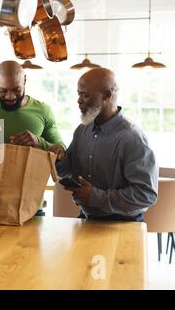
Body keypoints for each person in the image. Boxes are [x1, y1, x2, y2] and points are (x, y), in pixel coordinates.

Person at [56, 68, 158, 222]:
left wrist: (95, 197)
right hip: (87, 220)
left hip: (123, 224)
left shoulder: (132, 138)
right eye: (78, 94)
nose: (79, 100)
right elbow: (67, 172)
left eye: (85, 95)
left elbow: (145, 195)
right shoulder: (82, 130)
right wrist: (60, 158)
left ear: (107, 96)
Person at [0, 60, 66, 214]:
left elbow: (61, 151)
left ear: (25, 80)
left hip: (32, 206)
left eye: (16, 90)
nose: (10, 96)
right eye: (3, 91)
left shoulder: (42, 111)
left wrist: (39, 142)